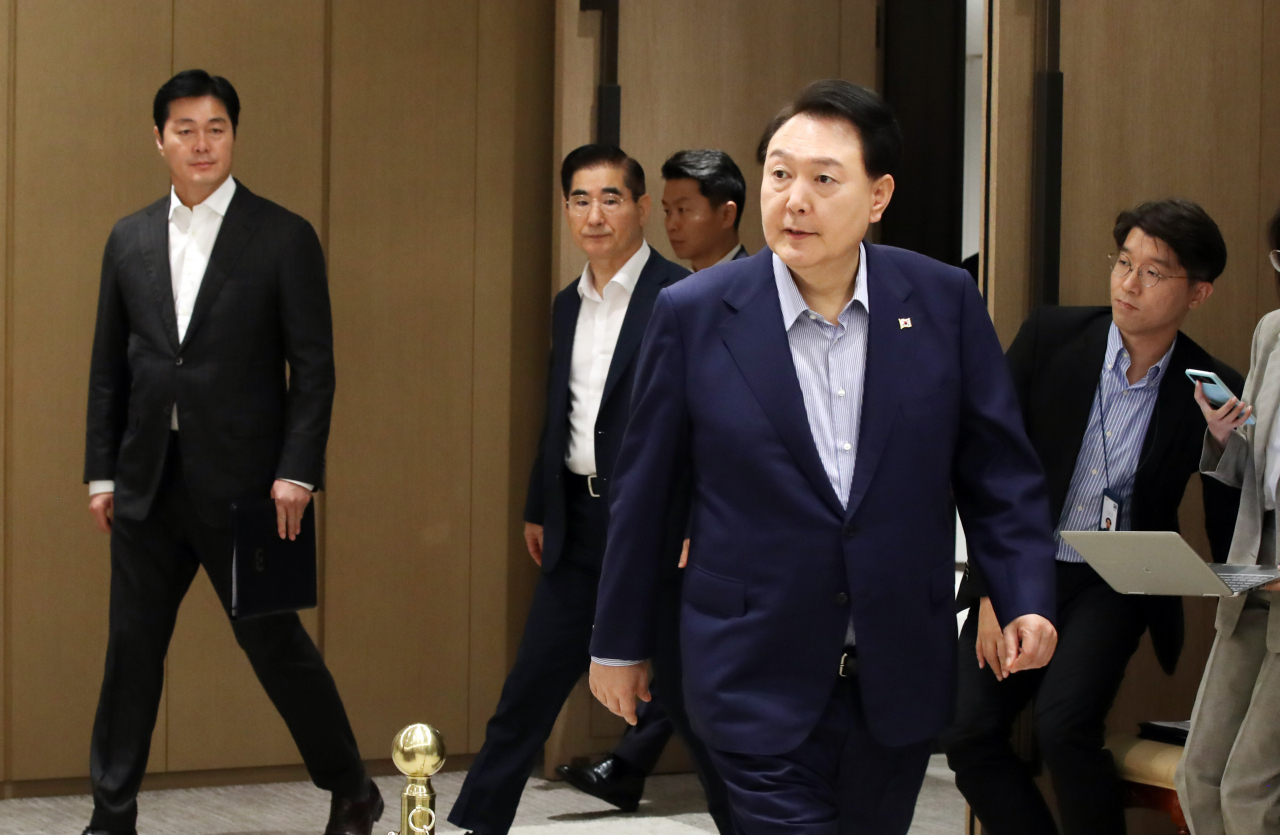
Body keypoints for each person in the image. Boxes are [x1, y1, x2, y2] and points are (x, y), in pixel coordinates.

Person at [587, 79, 1059, 835]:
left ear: (878, 196)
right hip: (750, 666)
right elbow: (647, 491)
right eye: (780, 173)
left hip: (895, 669)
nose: (794, 198)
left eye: (823, 179)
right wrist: (618, 641)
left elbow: (997, 468)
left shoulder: (942, 302)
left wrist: (1024, 590)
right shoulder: (697, 313)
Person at [82, 70, 380, 835]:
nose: (200, 142)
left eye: (215, 127)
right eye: (184, 129)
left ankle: (353, 787)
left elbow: (313, 368)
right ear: (159, 140)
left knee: (277, 647)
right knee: (130, 655)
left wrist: (298, 470)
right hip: (148, 484)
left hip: (255, 489)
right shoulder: (128, 237)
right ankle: (111, 815)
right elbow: (110, 367)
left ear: (233, 135)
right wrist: (102, 471)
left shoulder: (282, 235)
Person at [447, 145, 732, 835]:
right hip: (577, 522)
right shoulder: (566, 305)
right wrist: (539, 505)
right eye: (580, 199)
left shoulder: (683, 296)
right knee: (527, 693)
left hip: (660, 529)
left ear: (640, 207)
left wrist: (699, 518)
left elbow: (713, 424)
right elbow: (562, 412)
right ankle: (473, 824)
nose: (594, 214)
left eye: (611, 198)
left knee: (694, 708)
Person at [943, 198, 1242, 835]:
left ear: (1198, 293)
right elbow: (987, 461)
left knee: (1065, 726)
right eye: (1124, 262)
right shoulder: (1052, 338)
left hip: (1115, 581)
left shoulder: (1209, 384)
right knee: (966, 732)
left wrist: (1222, 448)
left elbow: (1229, 529)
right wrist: (993, 588)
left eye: (1154, 273)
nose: (1128, 284)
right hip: (1023, 564)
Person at [555, 147, 749, 814]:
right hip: (665, 529)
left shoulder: (753, 292)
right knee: (692, 697)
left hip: (734, 539)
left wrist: (697, 515)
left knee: (714, 705)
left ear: (728, 213)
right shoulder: (676, 298)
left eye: (683, 209)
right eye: (665, 209)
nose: (672, 222)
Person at [1177, 205, 1280, 834]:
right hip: (1254, 576)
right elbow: (1251, 471)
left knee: (1249, 790)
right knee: (1201, 776)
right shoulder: (1272, 332)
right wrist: (1222, 437)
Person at [661, 149, 750, 270]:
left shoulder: (757, 284)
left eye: (682, 210)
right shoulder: (675, 283)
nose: (671, 225)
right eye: (667, 211)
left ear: (726, 215)